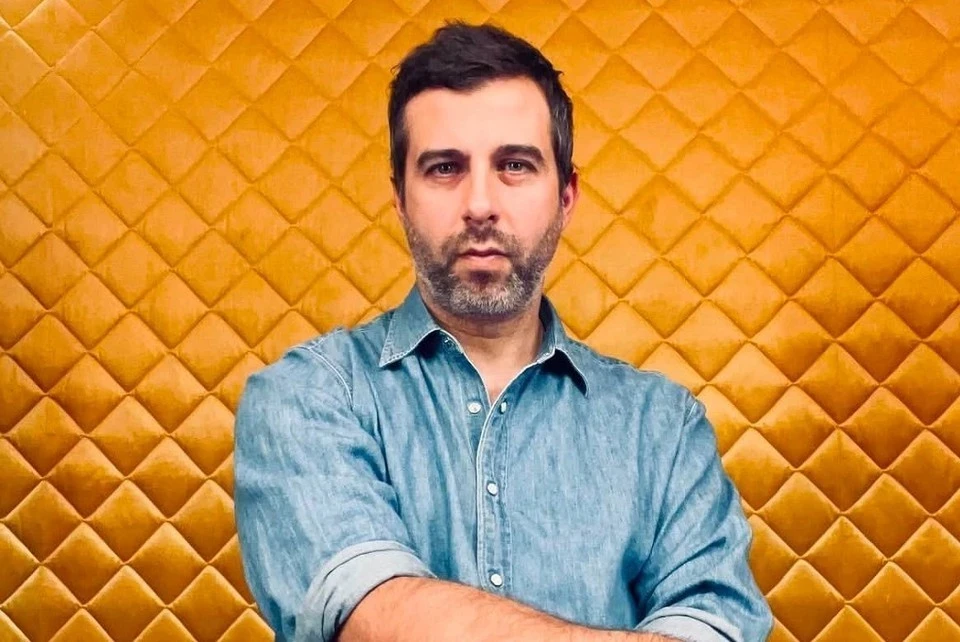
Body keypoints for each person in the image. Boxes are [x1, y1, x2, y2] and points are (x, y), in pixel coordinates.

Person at [234, 22, 773, 642]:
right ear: (400, 198)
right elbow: (373, 618)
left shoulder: (663, 428)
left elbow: (719, 626)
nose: (480, 204)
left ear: (566, 196)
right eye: (444, 168)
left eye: (515, 165)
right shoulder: (307, 397)